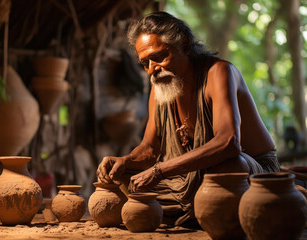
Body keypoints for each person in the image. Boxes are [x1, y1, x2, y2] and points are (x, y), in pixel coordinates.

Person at [96, 11, 280, 226]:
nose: (152, 70)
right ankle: (198, 209)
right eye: (145, 63)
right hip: (189, 176)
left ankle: (192, 209)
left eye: (159, 57)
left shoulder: (219, 72)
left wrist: (160, 170)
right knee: (125, 176)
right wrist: (124, 161)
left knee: (229, 166)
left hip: (249, 169)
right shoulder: (159, 87)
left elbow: (229, 143)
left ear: (184, 45)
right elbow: (149, 149)